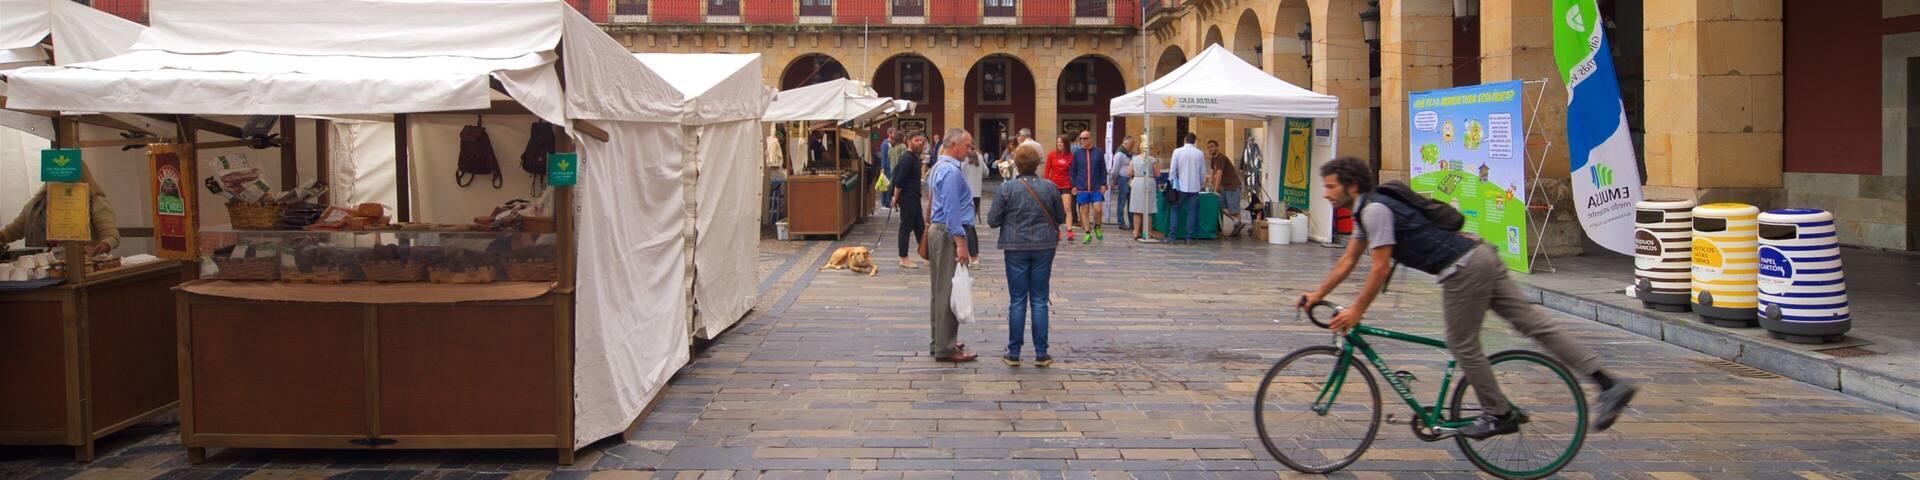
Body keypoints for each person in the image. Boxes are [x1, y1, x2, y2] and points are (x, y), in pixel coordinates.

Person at [1298, 156, 1638, 439]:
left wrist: (1357, 310)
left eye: (1330, 186)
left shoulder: (1374, 211)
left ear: (1351, 185)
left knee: (1461, 343)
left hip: (1462, 269)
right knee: (1535, 325)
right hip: (1479, 255)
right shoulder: (1366, 211)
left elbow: (1380, 267)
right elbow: (1348, 259)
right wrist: (1316, 294)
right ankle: (1608, 383)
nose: (1326, 194)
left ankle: (1498, 413)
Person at [988, 142, 1065, 367]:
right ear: (1038, 163)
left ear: (1016, 163)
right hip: (1044, 246)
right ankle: (1041, 353)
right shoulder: (1049, 187)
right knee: (1040, 299)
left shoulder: (1007, 188)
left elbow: (993, 221)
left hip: (1015, 247)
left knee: (1018, 300)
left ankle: (1014, 353)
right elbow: (1060, 216)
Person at [926, 127, 979, 363]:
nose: (970, 150)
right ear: (954, 145)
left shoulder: (938, 167)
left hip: (937, 230)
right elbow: (952, 211)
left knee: (939, 291)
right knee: (948, 291)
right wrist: (961, 243)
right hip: (948, 233)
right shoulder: (950, 172)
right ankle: (946, 347)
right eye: (967, 145)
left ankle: (939, 339)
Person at [1, 164, 120, 256]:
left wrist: (97, 249)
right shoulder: (35, 205)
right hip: (41, 268)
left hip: (82, 268)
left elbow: (112, 237)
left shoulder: (95, 202)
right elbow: (11, 232)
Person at [888, 132, 929, 269]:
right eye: (917, 140)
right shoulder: (907, 158)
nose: (920, 143)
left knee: (920, 227)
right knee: (906, 227)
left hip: (915, 197)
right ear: (908, 141)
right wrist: (895, 198)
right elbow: (899, 180)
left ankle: (925, 254)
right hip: (907, 198)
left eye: (921, 140)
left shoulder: (914, 158)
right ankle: (904, 258)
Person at [1067, 130, 1107, 244]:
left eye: (1085, 138)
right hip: (1082, 187)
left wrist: (1103, 184)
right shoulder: (1077, 153)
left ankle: (1097, 226)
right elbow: (1072, 170)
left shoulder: (1098, 152)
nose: (1082, 141)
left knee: (1098, 209)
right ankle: (1087, 233)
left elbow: (1103, 169)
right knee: (1083, 211)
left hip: (1095, 187)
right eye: (1081, 139)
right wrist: (1073, 185)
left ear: (1090, 139)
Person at [1166, 133, 1206, 244]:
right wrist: (1202, 182)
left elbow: (1173, 169)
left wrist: (1172, 182)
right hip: (1194, 186)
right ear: (1195, 141)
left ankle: (1172, 236)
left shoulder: (1177, 151)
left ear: (1185, 140)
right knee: (1192, 212)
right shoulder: (1199, 153)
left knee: (1175, 210)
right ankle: (1188, 237)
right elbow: (1202, 171)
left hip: (1180, 186)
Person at [1206, 140, 1248, 237]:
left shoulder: (1221, 158)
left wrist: (1215, 190)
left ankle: (1237, 226)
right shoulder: (1213, 159)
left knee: (1234, 209)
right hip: (1225, 187)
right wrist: (1210, 185)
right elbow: (1212, 172)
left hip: (1232, 186)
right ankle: (1236, 222)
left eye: (1212, 146)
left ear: (1217, 147)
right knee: (1220, 205)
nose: (1210, 149)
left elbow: (1219, 174)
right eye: (1208, 147)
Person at [1043, 135, 1076, 242]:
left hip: (1066, 185)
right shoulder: (1052, 155)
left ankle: (1070, 231)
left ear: (1066, 144)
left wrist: (1074, 185)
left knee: (1067, 208)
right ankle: (1057, 231)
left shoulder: (1071, 156)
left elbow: (1074, 171)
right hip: (1054, 185)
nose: (1059, 144)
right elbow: (1047, 170)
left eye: (1061, 142)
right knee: (1054, 209)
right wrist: (1046, 183)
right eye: (1058, 142)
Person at [961, 148, 989, 270]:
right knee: (971, 225)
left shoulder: (962, 158)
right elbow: (986, 172)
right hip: (976, 194)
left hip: (965, 194)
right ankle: (975, 253)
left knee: (967, 226)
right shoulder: (979, 156)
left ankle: (974, 258)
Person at [1128, 138, 1159, 243]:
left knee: (1137, 210)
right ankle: (1148, 232)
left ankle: (1136, 232)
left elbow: (1129, 172)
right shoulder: (1152, 159)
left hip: (1137, 181)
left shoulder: (1134, 159)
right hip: (1148, 181)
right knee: (1148, 210)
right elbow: (1157, 173)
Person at [1107, 136, 1134, 230]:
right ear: (1125, 143)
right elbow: (1115, 170)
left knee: (1131, 202)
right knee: (1122, 202)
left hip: (1130, 179)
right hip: (1123, 179)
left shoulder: (1129, 153)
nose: (1132, 146)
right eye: (1131, 144)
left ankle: (1132, 223)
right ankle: (1121, 222)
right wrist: (1113, 181)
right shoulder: (1120, 154)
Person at [878, 128, 897, 208]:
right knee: (885, 186)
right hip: (886, 168)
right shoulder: (885, 144)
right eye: (894, 133)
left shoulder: (892, 143)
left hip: (891, 168)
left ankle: (888, 202)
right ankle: (884, 203)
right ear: (889, 134)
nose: (895, 135)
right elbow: (883, 157)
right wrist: (882, 168)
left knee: (889, 186)